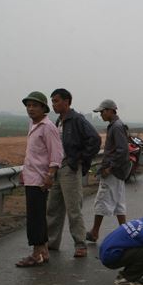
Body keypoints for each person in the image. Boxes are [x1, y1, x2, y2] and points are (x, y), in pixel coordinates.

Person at [46, 88, 101, 258]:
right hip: (57, 168)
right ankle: (51, 242)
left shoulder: (76, 119)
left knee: (73, 208)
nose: (53, 104)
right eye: (52, 101)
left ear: (67, 101)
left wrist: (79, 159)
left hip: (69, 168)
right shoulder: (59, 121)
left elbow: (95, 139)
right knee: (53, 208)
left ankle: (80, 244)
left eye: (56, 101)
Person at [16, 91, 63, 267]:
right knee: (36, 216)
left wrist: (50, 175)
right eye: (28, 105)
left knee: (35, 217)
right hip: (31, 176)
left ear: (44, 108)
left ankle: (36, 254)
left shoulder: (47, 126)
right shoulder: (33, 124)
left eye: (35, 105)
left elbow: (56, 154)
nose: (31, 109)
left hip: (40, 178)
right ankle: (42, 250)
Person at [86, 99, 131, 243]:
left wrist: (109, 167)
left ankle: (94, 232)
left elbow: (122, 150)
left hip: (112, 171)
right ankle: (126, 233)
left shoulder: (116, 127)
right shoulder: (117, 125)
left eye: (102, 111)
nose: (101, 115)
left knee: (101, 200)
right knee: (118, 203)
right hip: (119, 172)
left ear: (111, 110)